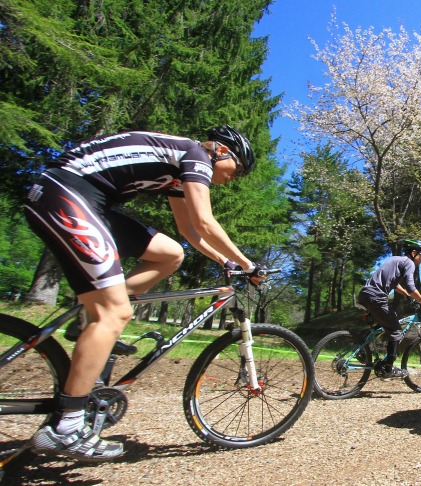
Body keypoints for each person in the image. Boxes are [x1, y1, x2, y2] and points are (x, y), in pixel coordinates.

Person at [23, 126, 264, 462]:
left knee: (169, 253)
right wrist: (249, 265)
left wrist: (226, 260)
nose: (232, 180)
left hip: (80, 197)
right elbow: (205, 222)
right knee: (115, 313)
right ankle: (66, 427)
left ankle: (90, 317)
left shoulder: (180, 169)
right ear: (222, 151)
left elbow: (189, 232)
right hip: (67, 193)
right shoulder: (196, 155)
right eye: (236, 171)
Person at [357, 239, 421, 379]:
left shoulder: (395, 260)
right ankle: (388, 369)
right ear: (414, 252)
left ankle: (362, 349)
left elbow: (395, 285)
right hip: (377, 297)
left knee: (387, 322)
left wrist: (408, 297)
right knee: (396, 330)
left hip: (365, 294)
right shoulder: (409, 263)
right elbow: (411, 287)